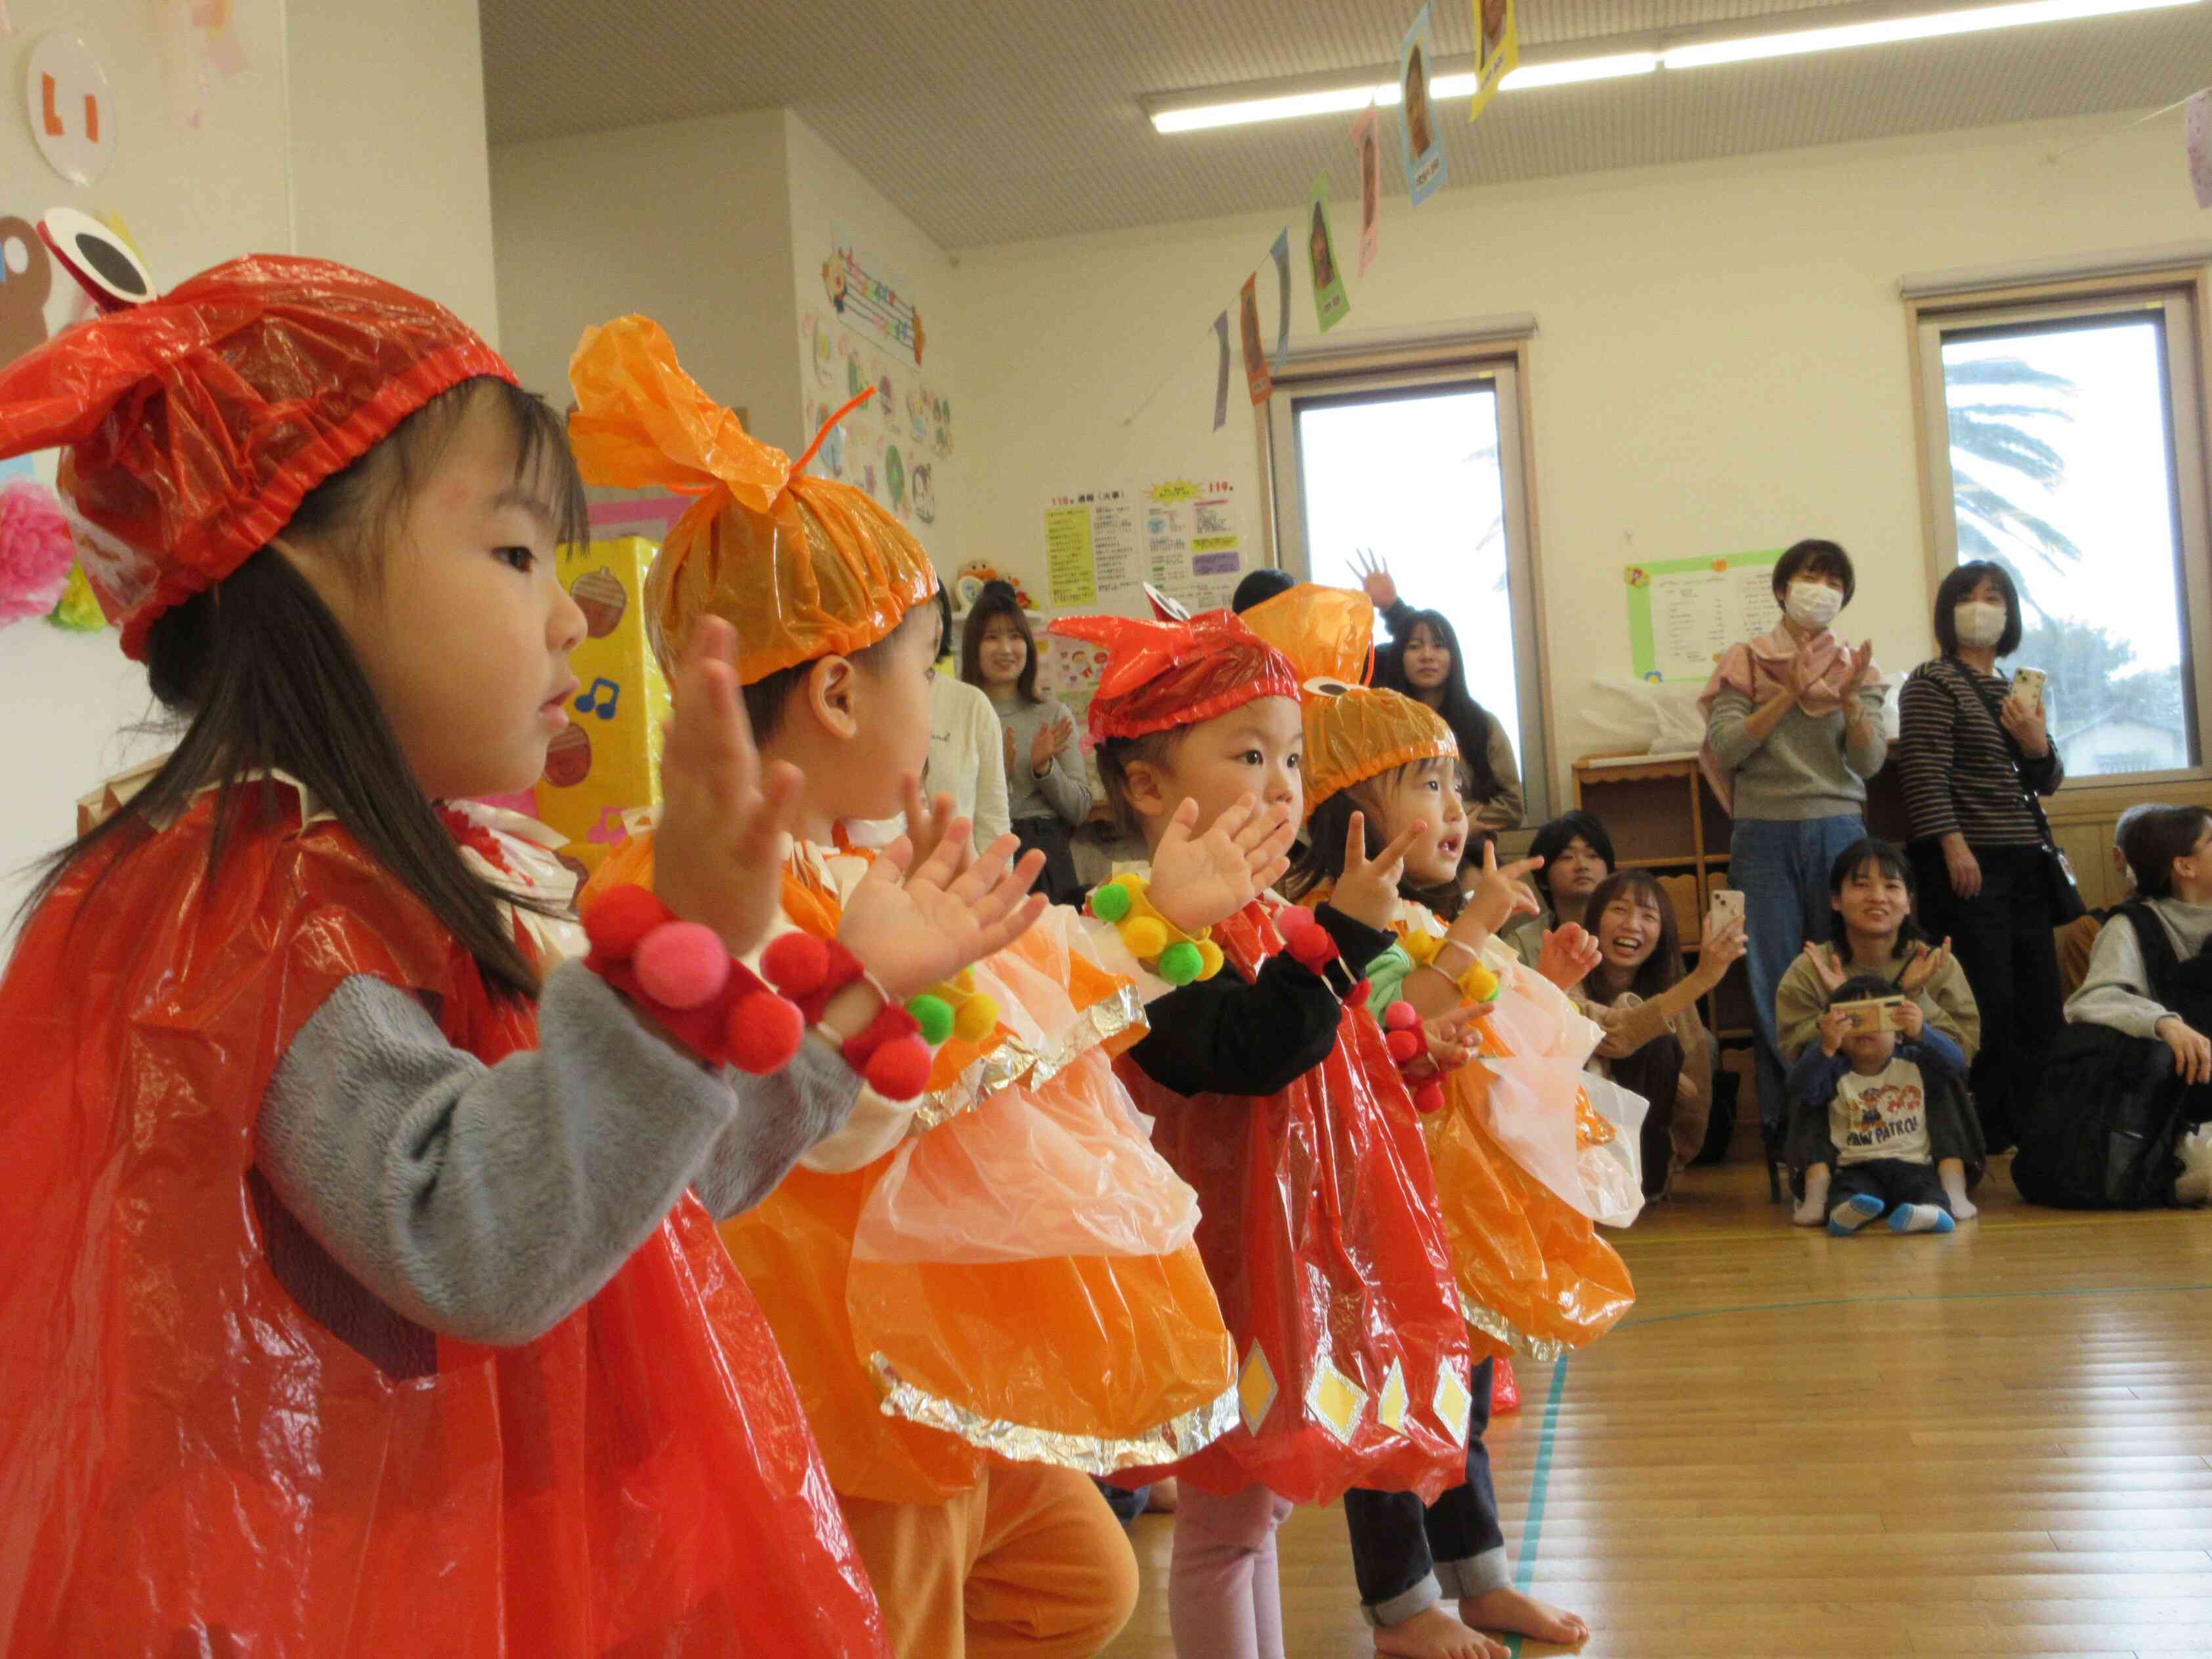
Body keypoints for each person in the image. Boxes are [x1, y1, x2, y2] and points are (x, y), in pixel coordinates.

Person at [0, 255, 970, 1650]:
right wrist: (671, 960)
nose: (572, 614)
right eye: (518, 555)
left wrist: (846, 1001)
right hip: (368, 1576)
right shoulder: (263, 915)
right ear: (297, 567)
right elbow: (480, 1238)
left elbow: (635, 1198)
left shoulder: (428, 877)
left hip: (507, 1539)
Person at [568, 316, 1274, 1659]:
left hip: (935, 1370)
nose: (939, 696)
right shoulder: (708, 894)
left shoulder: (867, 865)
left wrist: (1148, 927)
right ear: (838, 691)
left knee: (1081, 1582)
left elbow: (1012, 1007)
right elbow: (795, 1128)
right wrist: (879, 991)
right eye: (925, 662)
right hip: (841, 1391)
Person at [1051, 604, 1473, 1659]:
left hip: (1272, 1265)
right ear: (1146, 786)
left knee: (1253, 1521)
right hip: (1214, 1277)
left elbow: (1318, 1055)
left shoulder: (1247, 916)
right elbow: (1246, 1052)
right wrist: (1339, 939)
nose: (1285, 782)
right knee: (1224, 1530)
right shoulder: (1140, 930)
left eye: (1292, 756)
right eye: (1249, 754)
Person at [1251, 583, 1625, 1658]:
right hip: (1369, 1198)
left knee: (1453, 1385)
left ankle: (1481, 1578)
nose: (1456, 810)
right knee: (1393, 1394)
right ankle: (1403, 1607)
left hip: (1439, 1197)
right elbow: (1390, 1023)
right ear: (1354, 802)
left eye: (1460, 783)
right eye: (1430, 783)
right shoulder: (1329, 917)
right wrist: (1470, 929)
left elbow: (1481, 1017)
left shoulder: (1411, 910)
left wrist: (1543, 966)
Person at [1697, 538, 1885, 1172]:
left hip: (1841, 831)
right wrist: (1787, 695)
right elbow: (1726, 749)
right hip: (1763, 833)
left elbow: (1869, 762)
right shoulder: (1745, 660)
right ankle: (1790, 1128)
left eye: (1834, 581)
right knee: (1772, 980)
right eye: (1810, 577)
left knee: (1849, 971)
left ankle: (1860, 1117)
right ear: (1782, 589)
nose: (1821, 589)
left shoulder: (1857, 666)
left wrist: (1852, 700)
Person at [1897, 560, 2070, 1150]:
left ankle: (2035, 1124)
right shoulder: (1931, 682)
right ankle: (1987, 1127)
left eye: (1994, 596)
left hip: (2025, 859)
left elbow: (2048, 779)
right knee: (1985, 995)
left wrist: (2035, 740)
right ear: (1946, 612)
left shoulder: (2018, 688)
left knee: (2038, 996)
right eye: (1967, 596)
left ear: (2010, 612)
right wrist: (1953, 846)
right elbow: (1922, 774)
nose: (1981, 606)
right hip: (1968, 860)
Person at [1572, 870, 1745, 1200]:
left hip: (1644, 1151)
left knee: (1661, 1045)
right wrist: (1701, 979)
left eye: (1648, 916)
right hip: (1578, 1145)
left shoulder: (1671, 992)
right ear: (1594, 921)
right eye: (1620, 910)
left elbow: (1697, 1096)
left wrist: (1674, 1154)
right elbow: (1614, 1035)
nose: (1633, 925)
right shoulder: (1569, 972)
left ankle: (1644, 1175)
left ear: (1661, 934)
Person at [1351, 551, 1527, 836]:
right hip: (1401, 852)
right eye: (1414, 647)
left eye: (1439, 646)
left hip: (1468, 852)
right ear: (1399, 657)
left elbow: (1512, 806)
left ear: (1453, 656)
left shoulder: (1481, 724)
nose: (1427, 656)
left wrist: (1457, 821)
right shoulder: (1383, 725)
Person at [1786, 973, 1972, 1235]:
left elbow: (1956, 1065)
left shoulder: (1915, 1062)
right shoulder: (1833, 1070)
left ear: (1899, 1035)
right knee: (1849, 1192)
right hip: (1857, 1166)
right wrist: (1825, 1047)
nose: (1867, 1028)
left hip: (1913, 1163)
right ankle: (1844, 1215)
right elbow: (1799, 1087)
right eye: (1854, 1019)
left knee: (1927, 1190)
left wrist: (1923, 1032)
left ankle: (1930, 1213)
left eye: (1879, 1018)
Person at [849, 585, 1011, 853]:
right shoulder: (861, 697)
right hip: (878, 874)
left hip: (962, 882)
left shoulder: (970, 704)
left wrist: (997, 888)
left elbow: (993, 819)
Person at [964, 579, 1090, 904]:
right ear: (973, 648)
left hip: (1047, 856)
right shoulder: (963, 714)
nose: (1005, 649)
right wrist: (998, 776)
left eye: (1015, 636)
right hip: (984, 853)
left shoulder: (1052, 713)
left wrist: (1045, 768)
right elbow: (950, 804)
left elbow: (1079, 809)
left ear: (1028, 647)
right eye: (991, 637)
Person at [2058, 803, 2165, 998]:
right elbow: (2091, 1010)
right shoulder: (2089, 929)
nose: (2159, 862)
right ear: (2119, 858)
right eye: (2146, 850)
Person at [1506, 809, 1615, 967]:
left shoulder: (1627, 931)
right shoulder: (1522, 943)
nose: (1582, 866)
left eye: (1592, 855)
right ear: (1544, 879)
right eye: (1567, 857)